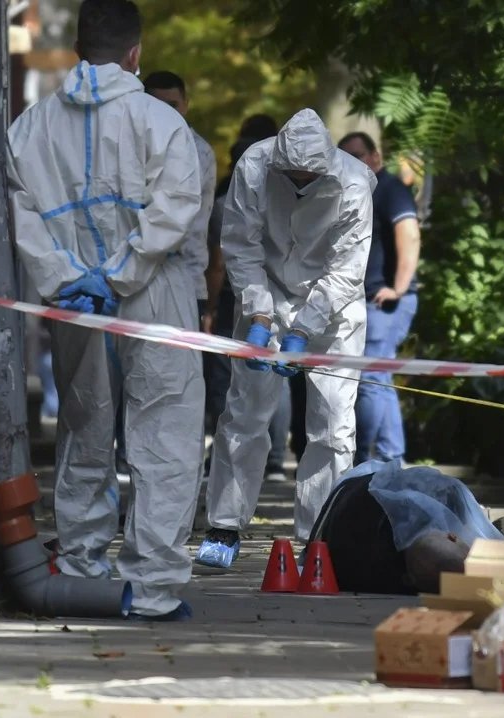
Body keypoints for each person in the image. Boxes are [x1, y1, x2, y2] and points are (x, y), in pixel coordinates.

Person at [6, 0, 204, 620]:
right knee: (165, 430)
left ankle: (83, 571)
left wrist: (70, 279)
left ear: (76, 49)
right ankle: (153, 589)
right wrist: (123, 273)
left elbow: (18, 213)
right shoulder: (161, 122)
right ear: (135, 53)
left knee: (84, 427)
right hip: (155, 295)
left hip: (77, 303)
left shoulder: (31, 127)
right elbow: (176, 207)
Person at [197, 108, 376, 567]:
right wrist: (259, 313)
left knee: (333, 423)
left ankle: (320, 536)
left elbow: (346, 270)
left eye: (308, 178)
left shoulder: (354, 182)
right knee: (244, 413)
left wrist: (301, 331)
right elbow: (241, 244)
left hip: (333, 310)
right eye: (292, 176)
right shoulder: (255, 166)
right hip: (267, 292)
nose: (299, 184)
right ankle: (224, 525)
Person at [203, 115, 292, 481]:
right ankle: (276, 459)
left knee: (231, 380)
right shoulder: (290, 197)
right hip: (282, 296)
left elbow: (219, 262)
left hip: (236, 300)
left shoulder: (226, 200)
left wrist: (210, 307)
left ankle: (234, 456)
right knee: (277, 374)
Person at [336, 132, 421, 465]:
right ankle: (390, 456)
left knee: (371, 378)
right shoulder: (355, 192)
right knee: (378, 377)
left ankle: (363, 458)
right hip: (368, 301)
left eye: (357, 156)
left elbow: (409, 235)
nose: (351, 163)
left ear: (375, 157)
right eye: (344, 157)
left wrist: (398, 288)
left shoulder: (389, 189)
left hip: (385, 302)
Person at [143, 71, 217, 318]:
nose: (166, 112)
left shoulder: (199, 151)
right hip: (136, 279)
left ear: (186, 105)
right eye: (158, 105)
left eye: (173, 105)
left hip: (187, 278)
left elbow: (177, 218)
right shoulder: (133, 144)